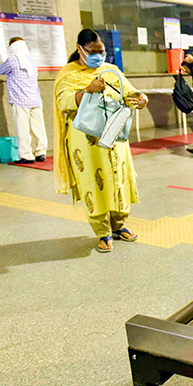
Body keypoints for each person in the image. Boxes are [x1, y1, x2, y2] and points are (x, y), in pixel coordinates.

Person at [53, 29, 148, 253]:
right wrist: (86, 91)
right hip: (86, 142)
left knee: (119, 179)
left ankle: (119, 225)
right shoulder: (69, 74)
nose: (99, 56)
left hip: (115, 137)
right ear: (80, 50)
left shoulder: (111, 70)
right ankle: (102, 231)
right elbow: (63, 102)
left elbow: (128, 91)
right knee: (93, 183)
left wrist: (141, 98)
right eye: (93, 52)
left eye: (102, 52)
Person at [0, 37, 47, 164]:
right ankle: (41, 153)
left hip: (19, 100)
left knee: (23, 129)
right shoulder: (32, 61)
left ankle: (27, 155)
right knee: (38, 128)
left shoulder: (12, 60)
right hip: (35, 99)